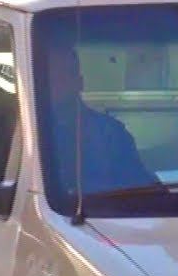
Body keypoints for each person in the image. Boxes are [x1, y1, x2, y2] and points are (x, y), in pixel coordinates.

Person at [43, 45, 157, 195]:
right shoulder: (28, 130)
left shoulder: (110, 134)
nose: (56, 84)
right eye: (50, 77)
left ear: (79, 82)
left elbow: (143, 190)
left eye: (63, 76)